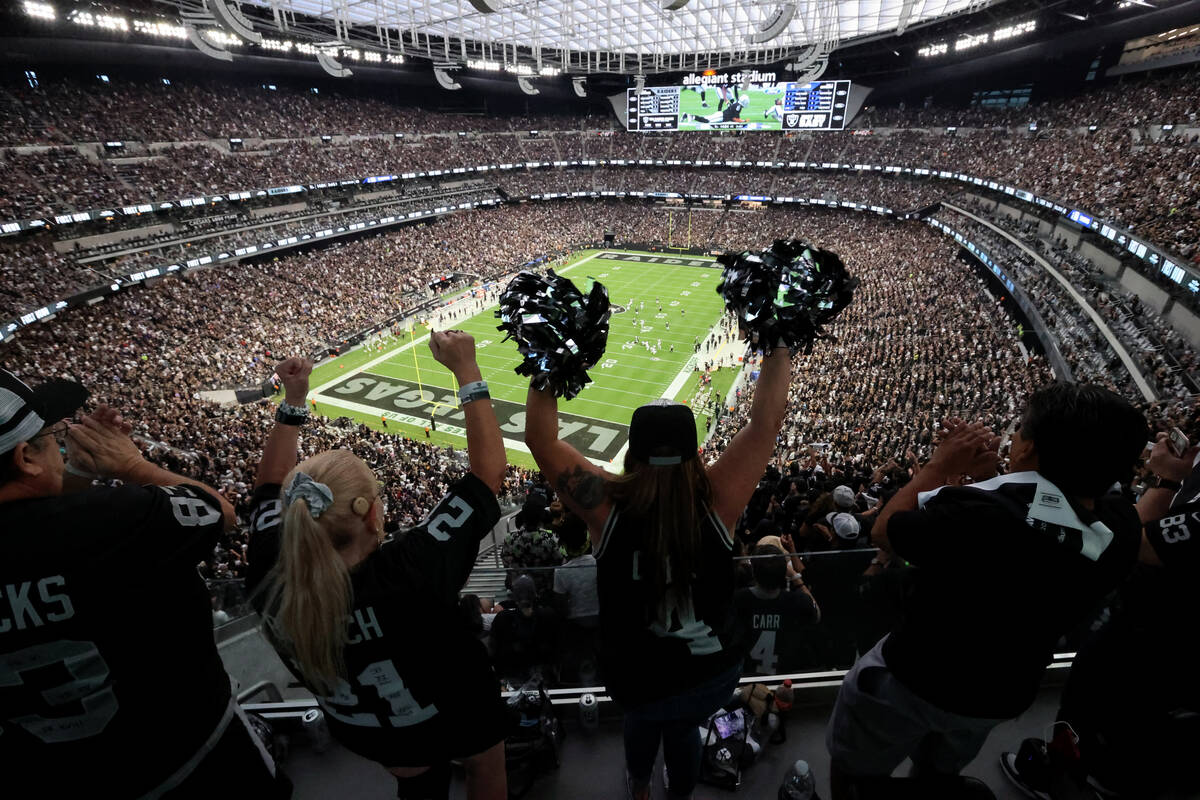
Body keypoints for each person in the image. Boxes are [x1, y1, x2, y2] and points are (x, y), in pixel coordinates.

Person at [826, 384, 1148, 795]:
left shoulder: (976, 517)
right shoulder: (1121, 528)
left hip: (915, 678)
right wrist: (999, 480)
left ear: (1030, 448)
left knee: (856, 768)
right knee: (940, 768)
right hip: (1003, 690)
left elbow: (885, 530)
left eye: (1018, 432)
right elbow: (1049, 527)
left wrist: (937, 465)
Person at [524, 344, 795, 800]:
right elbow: (766, 421)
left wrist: (553, 352)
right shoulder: (718, 500)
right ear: (693, 452)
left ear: (635, 451)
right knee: (684, 727)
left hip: (634, 675)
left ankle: (640, 785)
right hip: (709, 674)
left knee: (642, 719)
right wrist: (780, 335)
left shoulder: (606, 504)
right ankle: (678, 793)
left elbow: (541, 439)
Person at [0, 368, 288, 797]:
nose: (64, 445)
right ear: (26, 457)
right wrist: (131, 463)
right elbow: (218, 512)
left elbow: (36, 532)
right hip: (195, 761)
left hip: (63, 779)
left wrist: (77, 472)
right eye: (55, 436)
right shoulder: (115, 519)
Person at [245, 335, 509, 800]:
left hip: (362, 726)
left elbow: (267, 487)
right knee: (485, 765)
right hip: (452, 713)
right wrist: (466, 370)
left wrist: (293, 403)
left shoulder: (270, 570)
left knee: (411, 770)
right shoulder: (410, 569)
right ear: (372, 515)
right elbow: (488, 476)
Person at [1001, 429, 1200, 798]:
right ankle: (1104, 771)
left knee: (1091, 702)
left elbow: (1136, 544)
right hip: (1152, 625)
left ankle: (1068, 776)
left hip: (1160, 633)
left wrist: (1167, 478)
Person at [734, 544, 820, 675]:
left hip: (747, 676)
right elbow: (817, 614)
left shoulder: (740, 599)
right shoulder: (796, 601)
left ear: (754, 573)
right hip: (785, 676)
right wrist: (796, 578)